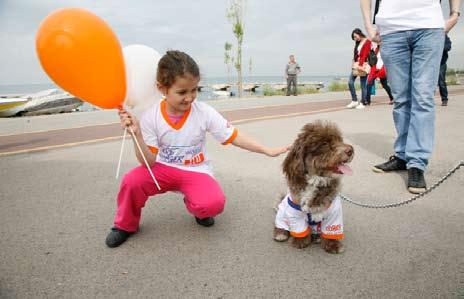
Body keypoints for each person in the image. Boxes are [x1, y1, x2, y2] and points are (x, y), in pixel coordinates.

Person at [106, 50, 289, 247]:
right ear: (162, 88)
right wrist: (138, 135)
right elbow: (148, 162)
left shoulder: (203, 112)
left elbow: (233, 136)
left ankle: (196, 206)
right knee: (132, 181)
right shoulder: (151, 117)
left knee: (213, 204)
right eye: (182, 92)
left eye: (194, 90)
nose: (190, 97)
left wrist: (267, 150)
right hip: (162, 168)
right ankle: (124, 225)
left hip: (195, 170)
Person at [361, 0, 461, 194]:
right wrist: (368, 24)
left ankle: (416, 163)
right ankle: (403, 156)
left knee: (422, 97)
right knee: (401, 99)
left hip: (428, 26)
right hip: (391, 30)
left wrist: (454, 15)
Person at [346, 28, 372, 110]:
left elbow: (365, 54)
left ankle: (363, 102)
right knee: (350, 82)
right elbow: (356, 55)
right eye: (353, 38)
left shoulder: (368, 42)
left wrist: (360, 65)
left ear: (359, 34)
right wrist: (353, 64)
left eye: (355, 36)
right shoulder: (358, 43)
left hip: (363, 65)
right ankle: (354, 100)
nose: (355, 39)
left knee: (363, 85)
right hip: (357, 64)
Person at [438, 35, 452, 106]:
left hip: (441, 64)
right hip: (430, 62)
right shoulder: (428, 35)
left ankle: (444, 99)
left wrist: (437, 47)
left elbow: (448, 47)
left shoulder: (444, 36)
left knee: (441, 81)